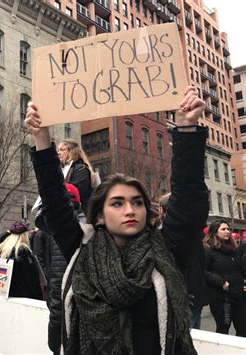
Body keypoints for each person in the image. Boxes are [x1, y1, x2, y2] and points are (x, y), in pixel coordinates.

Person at [25, 86, 208, 354]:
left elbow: (189, 200)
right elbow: (54, 200)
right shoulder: (81, 249)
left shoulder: (166, 251)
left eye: (137, 202)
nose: (130, 210)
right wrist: (41, 139)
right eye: (117, 203)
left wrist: (186, 130)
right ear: (99, 214)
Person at [33, 183, 86, 355]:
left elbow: (58, 281)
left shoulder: (58, 231)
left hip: (68, 318)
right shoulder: (89, 226)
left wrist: (55, 323)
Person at [158, 192, 208, 330]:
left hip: (182, 295)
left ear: (162, 210)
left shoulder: (162, 236)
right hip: (191, 294)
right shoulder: (195, 233)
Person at [204, 220, 246, 337]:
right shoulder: (208, 250)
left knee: (243, 328)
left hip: (240, 296)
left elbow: (241, 268)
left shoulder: (234, 250)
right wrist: (220, 281)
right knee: (223, 330)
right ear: (214, 232)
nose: (227, 231)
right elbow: (203, 271)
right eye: (223, 229)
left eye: (228, 229)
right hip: (222, 298)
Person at [0, 220, 43, 300]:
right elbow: (31, 279)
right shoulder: (23, 251)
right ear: (24, 235)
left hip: (4, 293)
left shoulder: (2, 249)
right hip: (22, 296)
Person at [57, 139, 96, 213]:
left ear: (72, 152)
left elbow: (75, 192)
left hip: (78, 214)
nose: (58, 153)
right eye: (58, 150)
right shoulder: (62, 169)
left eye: (62, 150)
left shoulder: (81, 169)